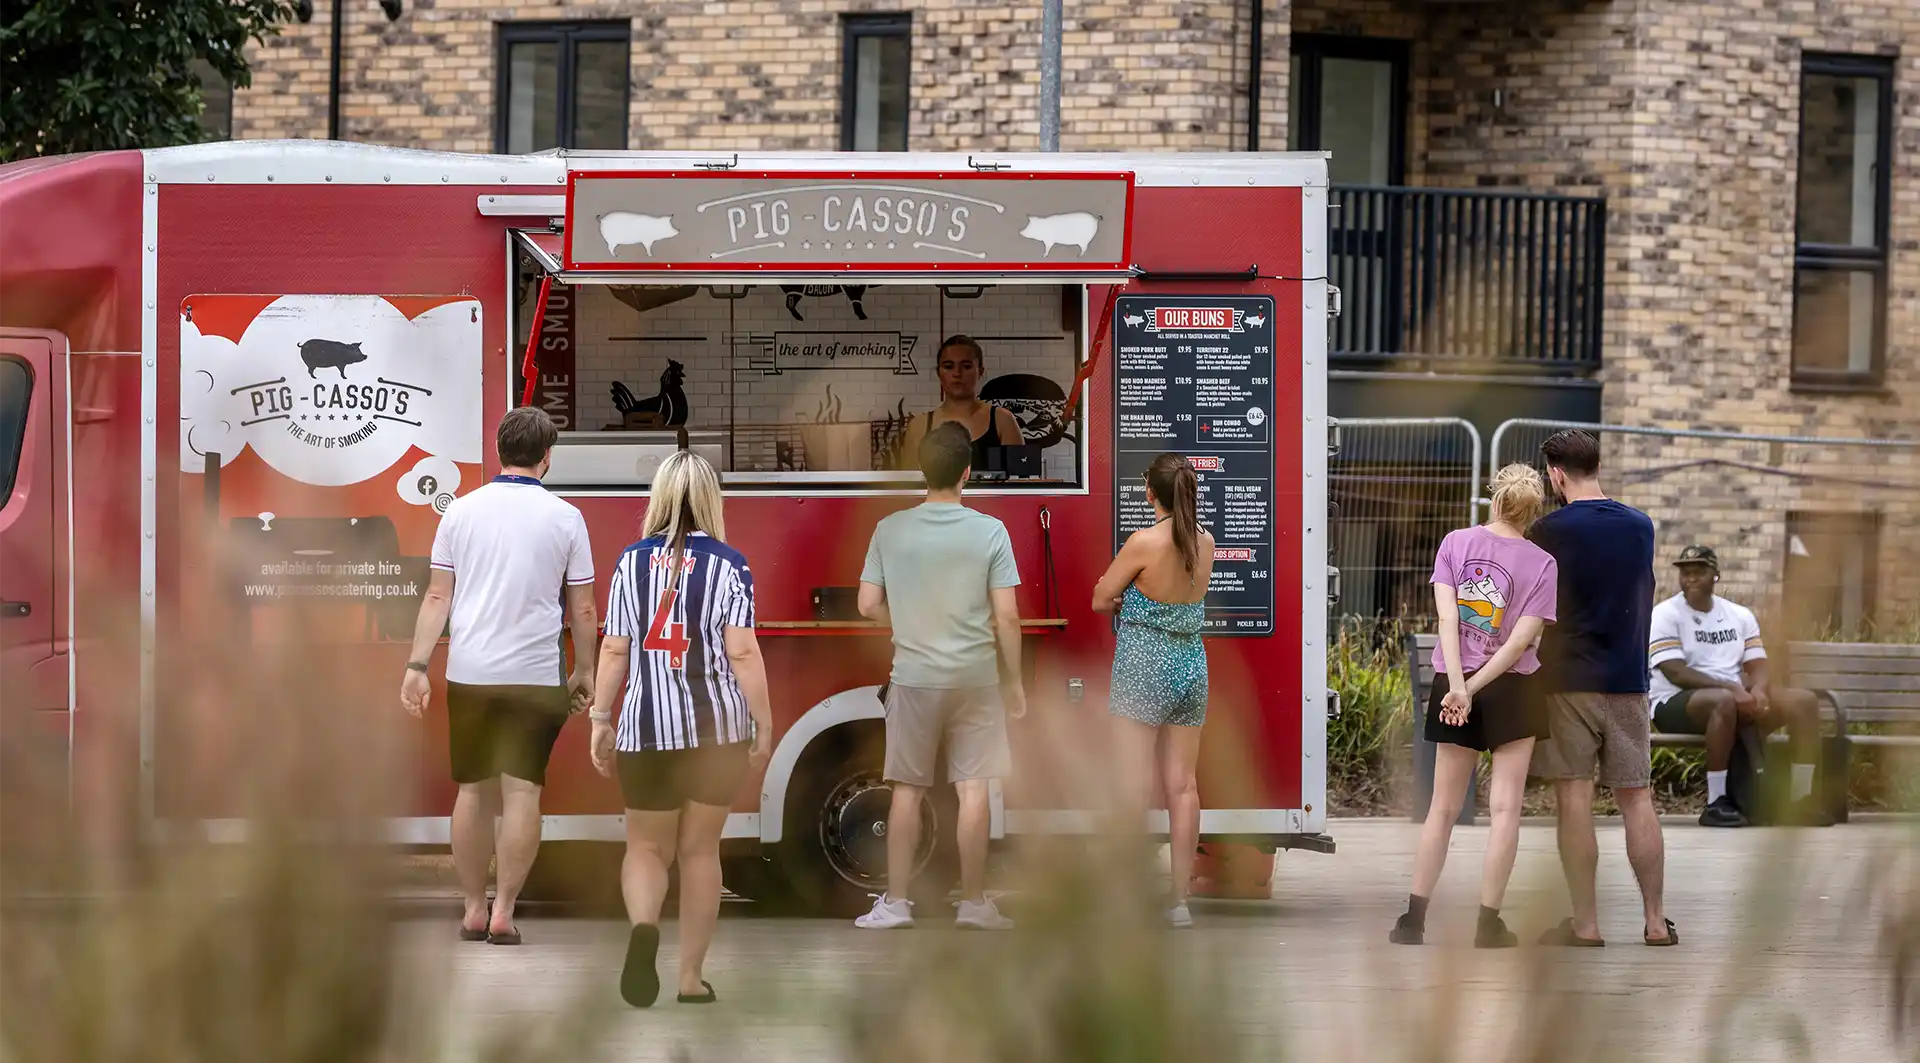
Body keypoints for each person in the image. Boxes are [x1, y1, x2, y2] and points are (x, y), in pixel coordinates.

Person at [400, 406, 597, 947]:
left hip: (471, 674)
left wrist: (417, 666)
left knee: (472, 791)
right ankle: (504, 912)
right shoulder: (566, 518)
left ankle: (472, 908)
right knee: (522, 792)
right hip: (535, 677)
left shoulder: (460, 513)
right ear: (547, 457)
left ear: (498, 452)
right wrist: (585, 670)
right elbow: (583, 608)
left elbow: (437, 596)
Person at [587, 449, 774, 1008]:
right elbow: (743, 653)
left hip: (645, 730)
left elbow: (614, 649)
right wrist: (764, 723)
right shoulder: (731, 565)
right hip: (716, 735)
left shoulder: (630, 563)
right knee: (699, 851)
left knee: (647, 848)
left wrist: (601, 717)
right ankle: (690, 979)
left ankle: (645, 927)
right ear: (712, 500)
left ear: (659, 498)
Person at [855, 421, 1027, 931]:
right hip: (976, 679)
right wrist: (1014, 682)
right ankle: (973, 903)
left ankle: (896, 904)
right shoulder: (990, 531)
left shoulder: (889, 529)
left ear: (922, 471)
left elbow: (867, 604)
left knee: (907, 791)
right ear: (967, 472)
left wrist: (907, 619)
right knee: (973, 791)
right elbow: (1007, 618)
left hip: (913, 677)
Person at [1389, 464, 1557, 948]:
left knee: (1442, 807)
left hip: (1454, 683)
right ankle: (1488, 924)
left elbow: (1447, 619)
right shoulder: (1544, 564)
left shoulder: (1455, 543)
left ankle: (1413, 920)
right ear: (1532, 512)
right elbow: (1520, 643)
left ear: (1495, 499)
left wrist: (1460, 687)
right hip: (1513, 689)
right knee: (1505, 810)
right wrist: (1477, 686)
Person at [1525, 428, 1675, 948]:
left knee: (1574, 798)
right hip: (1629, 680)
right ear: (1596, 466)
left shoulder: (1549, 530)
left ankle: (1586, 925)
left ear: (1556, 474)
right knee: (1637, 798)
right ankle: (1655, 922)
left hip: (1568, 682)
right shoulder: (1640, 526)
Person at [1092, 453, 1215, 929]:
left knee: (1131, 784)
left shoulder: (1143, 541)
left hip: (1144, 663)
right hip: (1190, 663)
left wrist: (1124, 599)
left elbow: (1101, 598)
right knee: (1183, 786)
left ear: (1150, 493)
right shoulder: (1205, 541)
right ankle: (1178, 902)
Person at [1649, 544, 1834, 828]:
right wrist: (1734, 690)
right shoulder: (1665, 614)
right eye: (1685, 573)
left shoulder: (1739, 615)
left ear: (1716, 575)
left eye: (1699, 571)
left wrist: (1758, 690)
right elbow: (1676, 672)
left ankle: (1800, 801)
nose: (1691, 578)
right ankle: (1716, 802)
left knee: (1804, 702)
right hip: (1675, 702)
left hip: (1733, 700)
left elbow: (1758, 664)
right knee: (1722, 701)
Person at [895, 334, 1022, 473]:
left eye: (966, 366)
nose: (957, 373)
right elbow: (910, 485)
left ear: (980, 371)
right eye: (948, 366)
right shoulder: (918, 427)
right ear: (938, 373)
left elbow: (1021, 482)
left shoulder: (1003, 421)